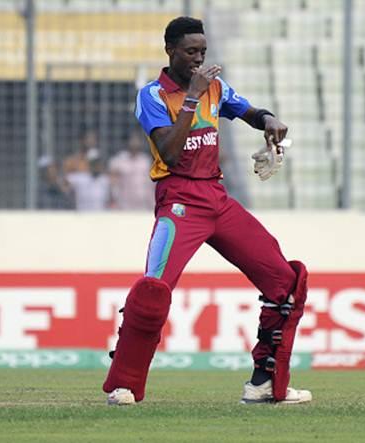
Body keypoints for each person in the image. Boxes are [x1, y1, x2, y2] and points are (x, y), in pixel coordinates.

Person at [102, 17, 311, 406]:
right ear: (170, 51)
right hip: (179, 200)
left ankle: (264, 383)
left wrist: (269, 122)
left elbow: (248, 111)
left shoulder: (216, 87)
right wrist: (194, 98)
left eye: (203, 52)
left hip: (216, 196)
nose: (199, 60)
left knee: (284, 281)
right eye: (190, 52)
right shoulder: (151, 94)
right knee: (153, 290)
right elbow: (169, 152)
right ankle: (125, 383)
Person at [108, 129, 155, 210]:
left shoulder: (145, 161)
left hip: (143, 206)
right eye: (132, 140)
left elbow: (150, 184)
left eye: (137, 140)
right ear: (127, 142)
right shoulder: (118, 160)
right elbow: (113, 184)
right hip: (124, 206)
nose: (135, 143)